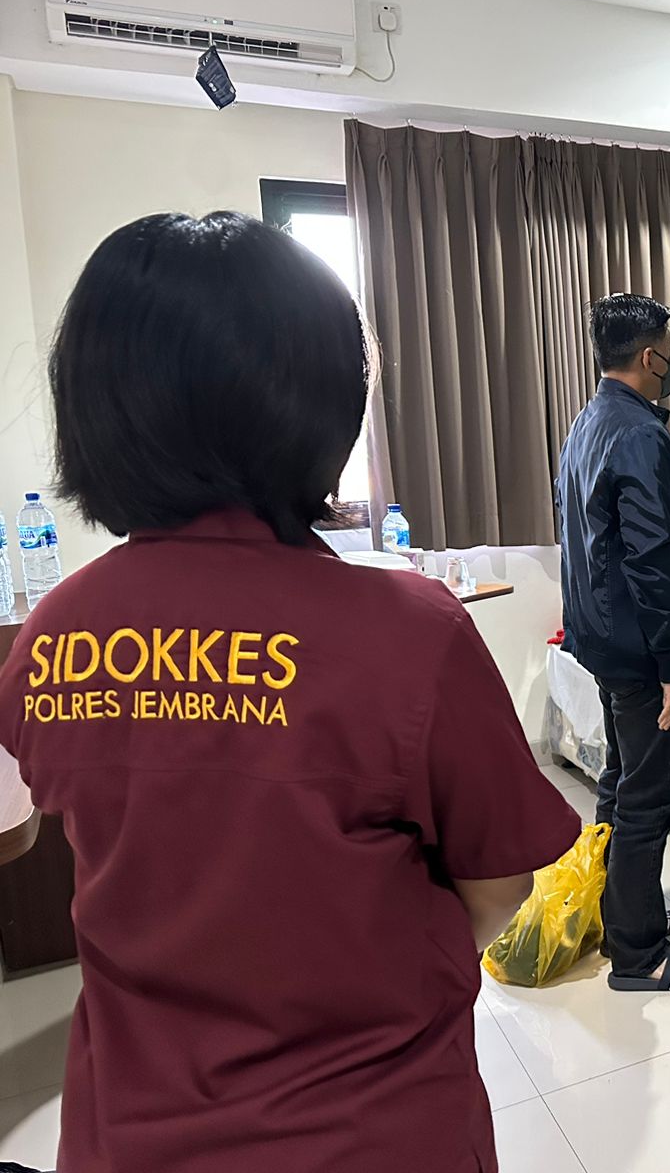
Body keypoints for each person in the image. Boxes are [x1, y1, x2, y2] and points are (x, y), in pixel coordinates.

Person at [0, 212, 580, 1173]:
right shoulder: (408, 634)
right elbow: (499, 887)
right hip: (371, 1132)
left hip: (127, 1131)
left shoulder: (54, 634)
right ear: (320, 406)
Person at [557, 293, 670, 992]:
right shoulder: (641, 435)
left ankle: (621, 912)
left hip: (602, 640)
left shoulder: (589, 421)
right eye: (669, 350)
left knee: (620, 784)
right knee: (650, 797)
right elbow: (651, 560)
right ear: (651, 356)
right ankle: (639, 954)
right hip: (640, 651)